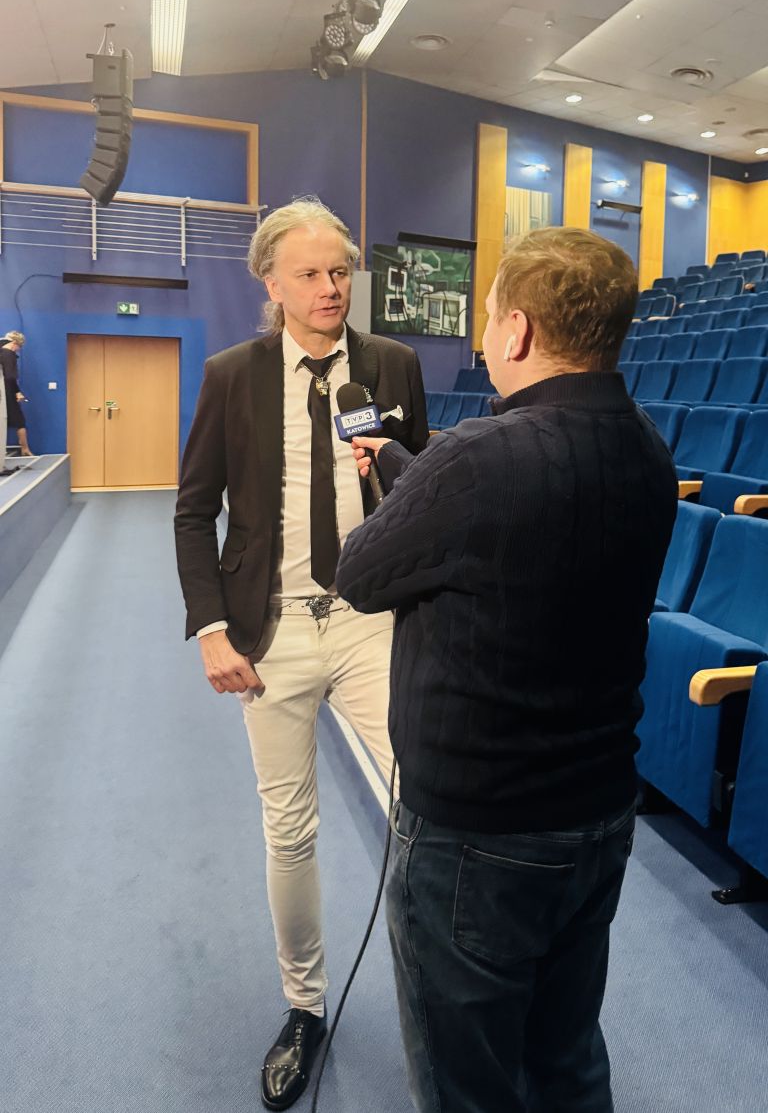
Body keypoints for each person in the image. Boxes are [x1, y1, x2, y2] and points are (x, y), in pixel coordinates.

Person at [336, 227, 679, 1113]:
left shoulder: (475, 457)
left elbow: (360, 574)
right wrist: (404, 463)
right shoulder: (649, 449)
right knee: (567, 1057)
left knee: (471, 1085)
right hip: (596, 818)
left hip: (475, 840)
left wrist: (408, 475)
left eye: (489, 313)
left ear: (518, 329)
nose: (486, 331)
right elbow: (512, 527)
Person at [174, 197, 428, 1111]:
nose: (331, 288)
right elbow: (192, 510)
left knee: (425, 802)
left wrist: (389, 473)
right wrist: (211, 626)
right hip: (269, 630)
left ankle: (434, 985)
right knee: (290, 830)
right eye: (311, 273)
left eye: (341, 271)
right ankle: (305, 1006)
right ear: (271, 282)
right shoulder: (231, 375)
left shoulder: (393, 365)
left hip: (369, 619)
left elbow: (425, 494)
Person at [1, 332, 33, 456]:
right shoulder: (9, 354)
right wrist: (17, 392)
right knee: (20, 421)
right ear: (15, 343)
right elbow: (10, 377)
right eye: (18, 347)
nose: (17, 350)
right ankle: (25, 448)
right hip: (6, 392)